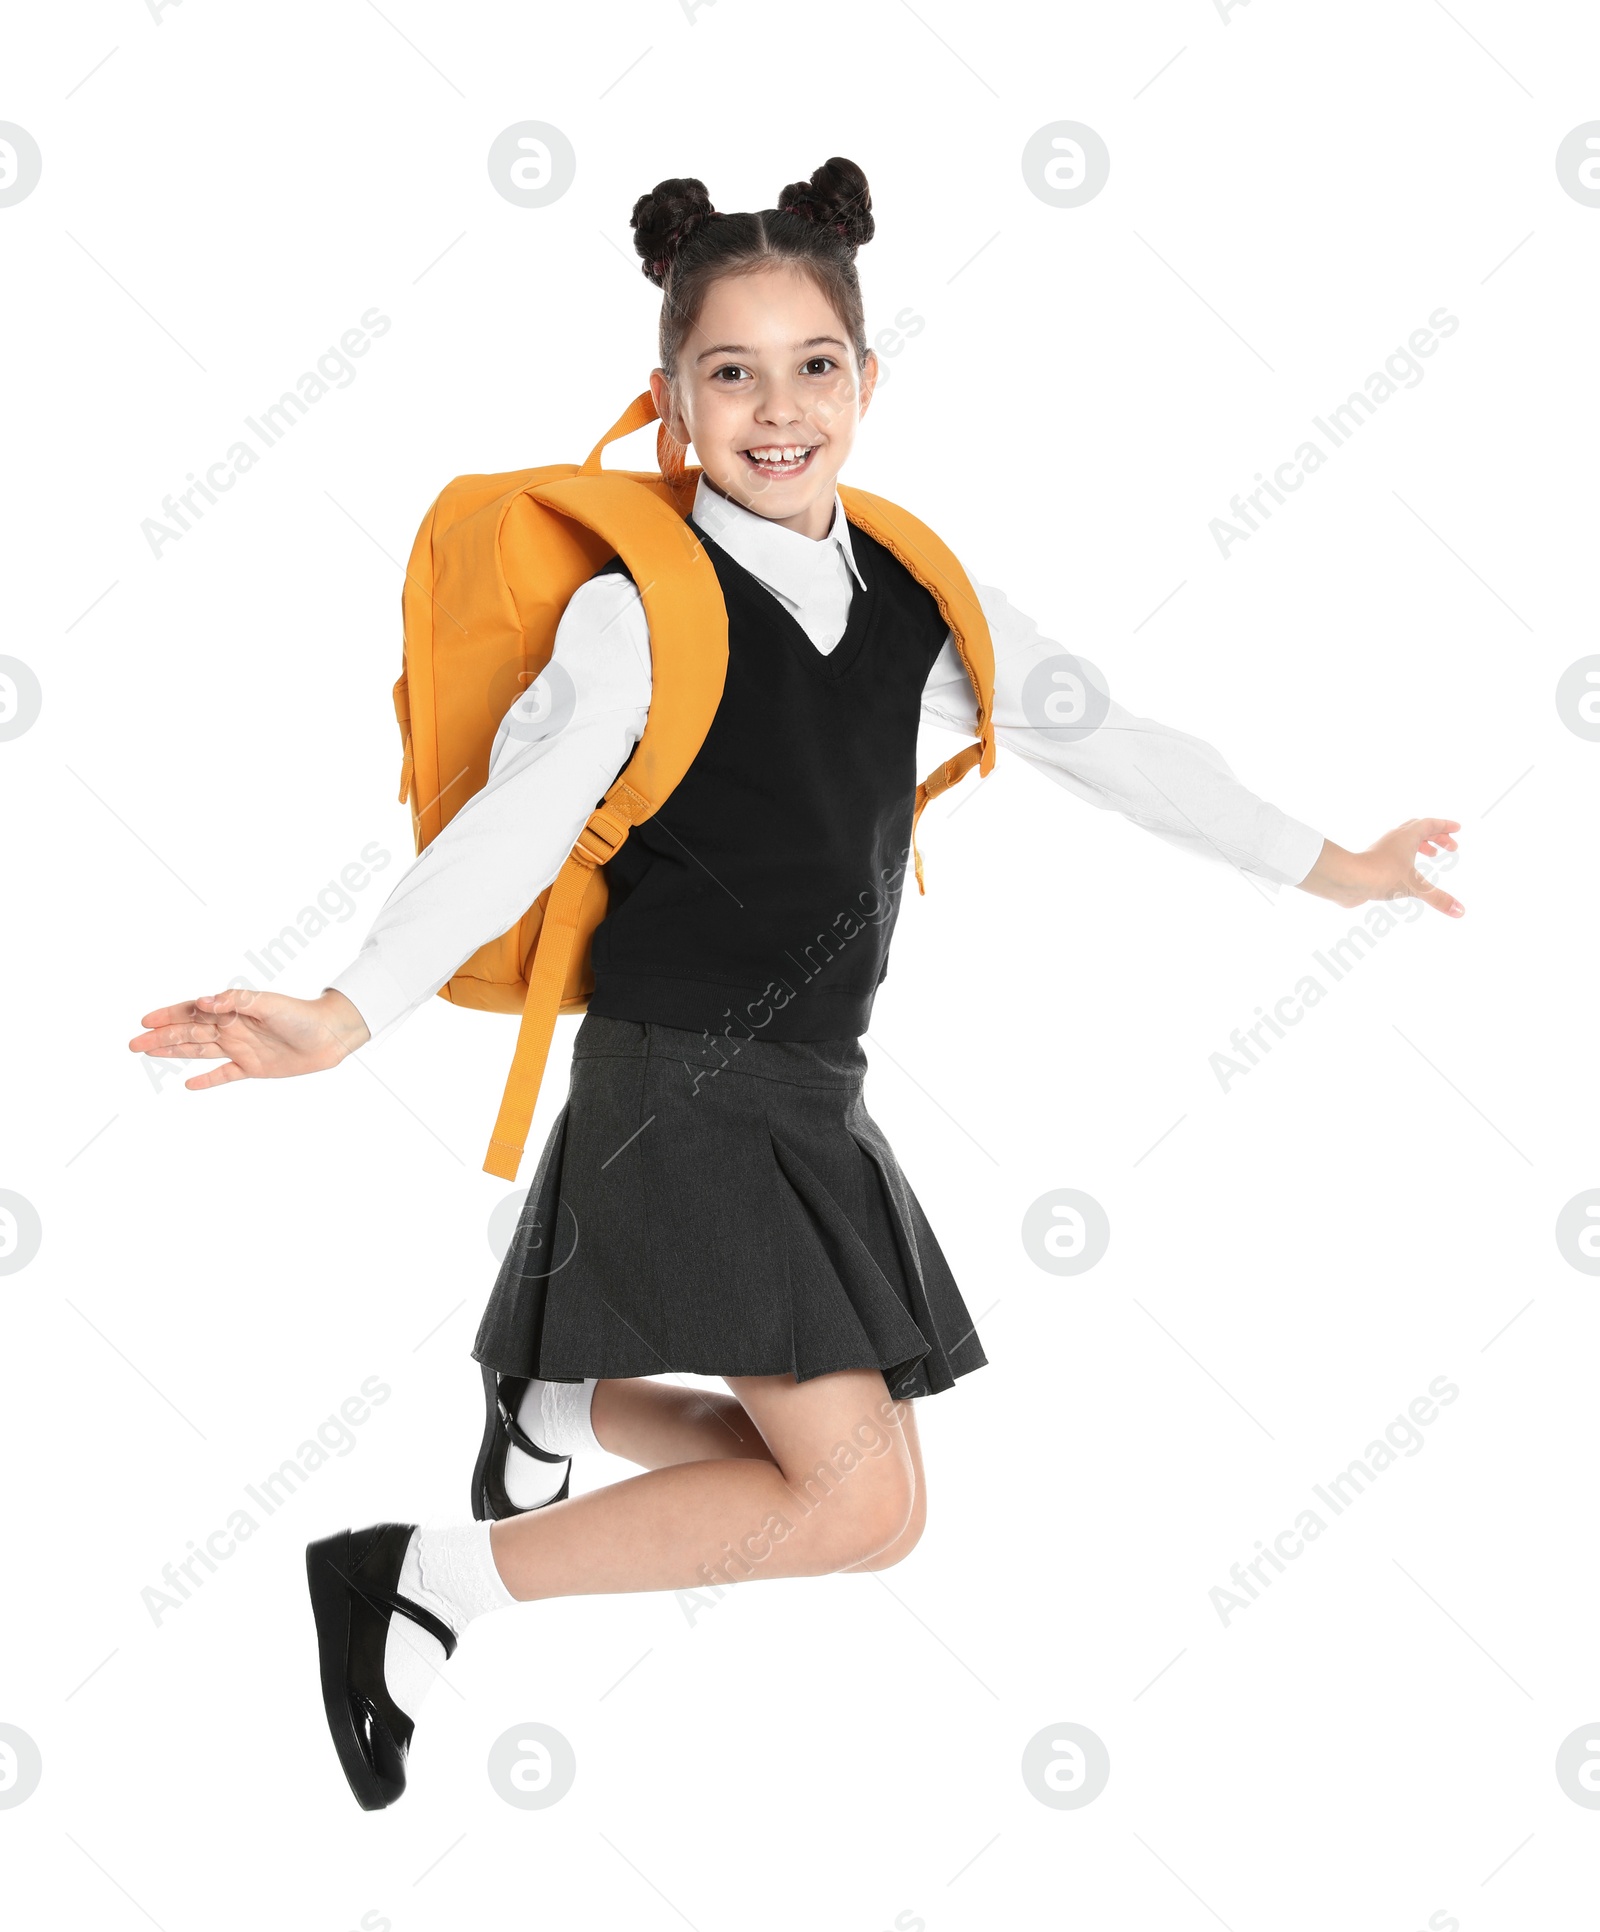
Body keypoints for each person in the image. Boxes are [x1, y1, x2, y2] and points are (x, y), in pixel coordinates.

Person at [130, 158, 1464, 1811]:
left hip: (809, 1100)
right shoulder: (637, 613)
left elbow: (1112, 744)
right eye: (730, 372)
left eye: (813, 363)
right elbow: (510, 827)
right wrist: (345, 1011)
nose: (778, 407)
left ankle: (568, 1376)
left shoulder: (922, 596)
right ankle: (418, 1575)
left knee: (883, 1518)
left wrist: (1332, 862)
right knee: (837, 1503)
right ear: (672, 404)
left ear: (868, 378)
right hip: (673, 1089)